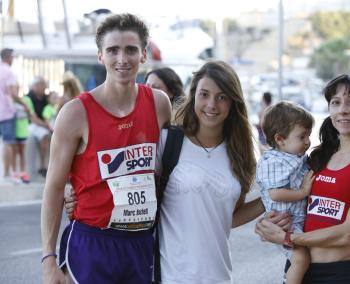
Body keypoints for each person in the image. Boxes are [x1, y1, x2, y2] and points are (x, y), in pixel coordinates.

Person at [65, 60, 278, 283]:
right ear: (193, 95)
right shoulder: (169, 142)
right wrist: (74, 193)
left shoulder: (241, 153)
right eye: (204, 94)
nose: (212, 104)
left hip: (219, 276)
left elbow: (228, 217)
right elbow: (124, 182)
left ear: (233, 102)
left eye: (222, 97)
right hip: (171, 275)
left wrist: (268, 199)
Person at [40, 13, 171, 284]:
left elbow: (168, 171)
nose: (122, 59)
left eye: (131, 50)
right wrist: (48, 259)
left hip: (141, 242)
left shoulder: (160, 104)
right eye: (113, 50)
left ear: (143, 55)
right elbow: (53, 187)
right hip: (92, 243)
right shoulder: (75, 113)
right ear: (100, 55)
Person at [256, 74, 350, 283]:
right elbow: (279, 194)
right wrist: (266, 223)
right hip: (297, 269)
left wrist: (288, 238)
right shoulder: (317, 157)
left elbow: (348, 234)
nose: (343, 110)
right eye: (336, 102)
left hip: (338, 275)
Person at [256, 101, 315, 284]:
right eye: (302, 136)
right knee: (301, 259)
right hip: (284, 222)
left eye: (309, 135)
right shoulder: (275, 162)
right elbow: (276, 194)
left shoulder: (293, 156)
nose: (308, 141)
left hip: (293, 218)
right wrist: (304, 191)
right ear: (280, 139)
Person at [0, 48, 29, 181]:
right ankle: (6, 174)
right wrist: (24, 104)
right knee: (8, 143)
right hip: (6, 111)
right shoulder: (9, 72)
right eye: (12, 57)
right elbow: (12, 93)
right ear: (8, 57)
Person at [26, 76, 50, 177]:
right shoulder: (28, 97)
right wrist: (46, 125)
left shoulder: (45, 98)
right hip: (31, 124)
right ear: (36, 86)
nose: (45, 88)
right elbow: (32, 118)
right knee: (44, 135)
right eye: (43, 85)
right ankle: (42, 166)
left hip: (42, 124)